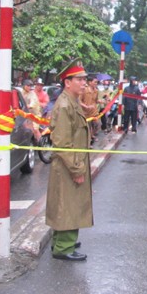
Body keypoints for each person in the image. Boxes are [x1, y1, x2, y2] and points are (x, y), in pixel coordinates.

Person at [46, 59, 92, 262]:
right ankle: (64, 247)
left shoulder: (71, 101)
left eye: (85, 79)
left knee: (65, 204)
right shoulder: (65, 105)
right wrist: (77, 169)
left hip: (71, 162)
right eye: (80, 80)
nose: (84, 83)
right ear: (67, 82)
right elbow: (63, 144)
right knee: (69, 205)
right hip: (69, 164)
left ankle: (61, 241)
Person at [79, 75, 100, 143]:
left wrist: (104, 101)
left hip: (94, 112)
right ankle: (89, 140)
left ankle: (92, 136)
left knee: (97, 124)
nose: (96, 83)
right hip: (85, 113)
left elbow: (96, 100)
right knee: (87, 127)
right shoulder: (84, 90)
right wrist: (86, 106)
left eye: (97, 82)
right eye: (95, 82)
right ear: (89, 82)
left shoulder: (96, 91)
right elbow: (79, 101)